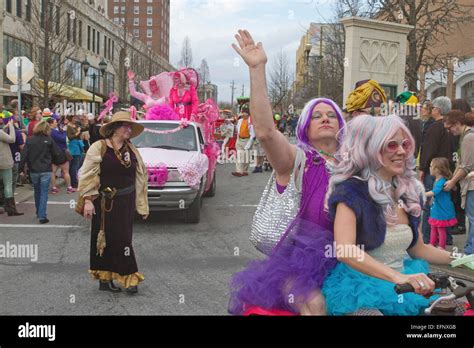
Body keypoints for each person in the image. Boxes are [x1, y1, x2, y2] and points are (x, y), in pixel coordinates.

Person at [228, 30, 346, 315]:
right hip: (298, 265)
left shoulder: (351, 163)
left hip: (348, 259)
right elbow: (266, 133)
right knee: (314, 304)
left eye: (331, 114)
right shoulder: (298, 159)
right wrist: (257, 70)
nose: (326, 118)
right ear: (305, 127)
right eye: (317, 115)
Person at [322, 115, 452, 316]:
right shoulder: (350, 192)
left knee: (449, 312)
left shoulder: (409, 191)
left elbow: (418, 249)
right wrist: (396, 278)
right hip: (360, 290)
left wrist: (462, 260)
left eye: (405, 144)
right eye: (391, 145)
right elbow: (345, 250)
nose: (401, 151)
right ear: (370, 149)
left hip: (404, 285)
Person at [76, 111, 149, 294]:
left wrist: (142, 204)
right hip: (104, 202)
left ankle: (120, 275)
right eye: (125, 126)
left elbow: (140, 177)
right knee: (103, 239)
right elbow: (87, 175)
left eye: (130, 126)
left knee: (123, 239)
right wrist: (88, 200)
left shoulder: (131, 149)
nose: (129, 129)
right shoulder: (98, 147)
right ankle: (115, 277)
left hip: (126, 201)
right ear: (114, 129)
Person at [418, 96, 455, 244]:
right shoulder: (450, 127)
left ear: (438, 110)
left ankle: (428, 238)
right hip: (447, 168)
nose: (431, 110)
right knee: (445, 203)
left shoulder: (435, 127)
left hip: (434, 169)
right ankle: (447, 237)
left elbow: (429, 148)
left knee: (430, 204)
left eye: (433, 107)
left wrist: (423, 168)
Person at [443, 111, 474, 254]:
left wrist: (452, 181)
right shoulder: (467, 136)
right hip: (469, 184)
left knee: (472, 219)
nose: (449, 131)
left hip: (472, 186)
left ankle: (470, 251)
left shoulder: (468, 138)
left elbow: (466, 166)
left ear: (457, 123)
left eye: (449, 128)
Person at [19, 121, 62, 224]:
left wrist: (20, 169)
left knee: (37, 191)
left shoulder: (30, 140)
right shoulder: (48, 139)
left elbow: (24, 155)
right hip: (46, 169)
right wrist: (56, 162)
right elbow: (56, 153)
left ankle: (39, 211)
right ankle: (42, 215)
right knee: (44, 192)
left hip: (33, 169)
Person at [426, 158, 457, 250]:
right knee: (433, 227)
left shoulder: (441, 181)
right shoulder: (437, 180)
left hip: (441, 209)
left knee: (440, 228)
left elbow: (434, 192)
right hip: (436, 208)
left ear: (437, 169)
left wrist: (421, 194)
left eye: (431, 166)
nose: (429, 168)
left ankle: (441, 247)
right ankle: (432, 244)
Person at [0, 115, 23, 216]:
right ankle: (11, 209)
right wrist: (11, 126)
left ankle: (2, 206)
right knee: (8, 184)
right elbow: (12, 139)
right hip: (4, 161)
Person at [47, 117, 74, 194]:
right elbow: (62, 138)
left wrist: (62, 130)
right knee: (65, 171)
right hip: (60, 152)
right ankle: (69, 187)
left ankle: (54, 187)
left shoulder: (50, 131)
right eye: (55, 122)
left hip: (53, 153)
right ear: (51, 123)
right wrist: (65, 131)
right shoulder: (52, 132)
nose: (56, 123)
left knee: (53, 172)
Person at [232, 105, 255, 177]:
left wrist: (249, 143)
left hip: (247, 140)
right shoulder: (239, 121)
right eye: (242, 112)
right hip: (239, 140)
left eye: (244, 112)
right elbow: (236, 129)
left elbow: (253, 134)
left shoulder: (251, 121)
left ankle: (245, 170)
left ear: (248, 113)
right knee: (239, 156)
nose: (243, 114)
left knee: (246, 157)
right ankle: (239, 171)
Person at [67, 114, 85, 190]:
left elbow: (85, 128)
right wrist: (77, 132)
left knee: (76, 165)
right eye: (74, 118)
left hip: (77, 146)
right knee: (74, 166)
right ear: (70, 118)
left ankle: (74, 181)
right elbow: (70, 137)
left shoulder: (76, 125)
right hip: (73, 147)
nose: (75, 119)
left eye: (76, 118)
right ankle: (74, 183)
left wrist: (84, 121)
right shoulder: (68, 127)